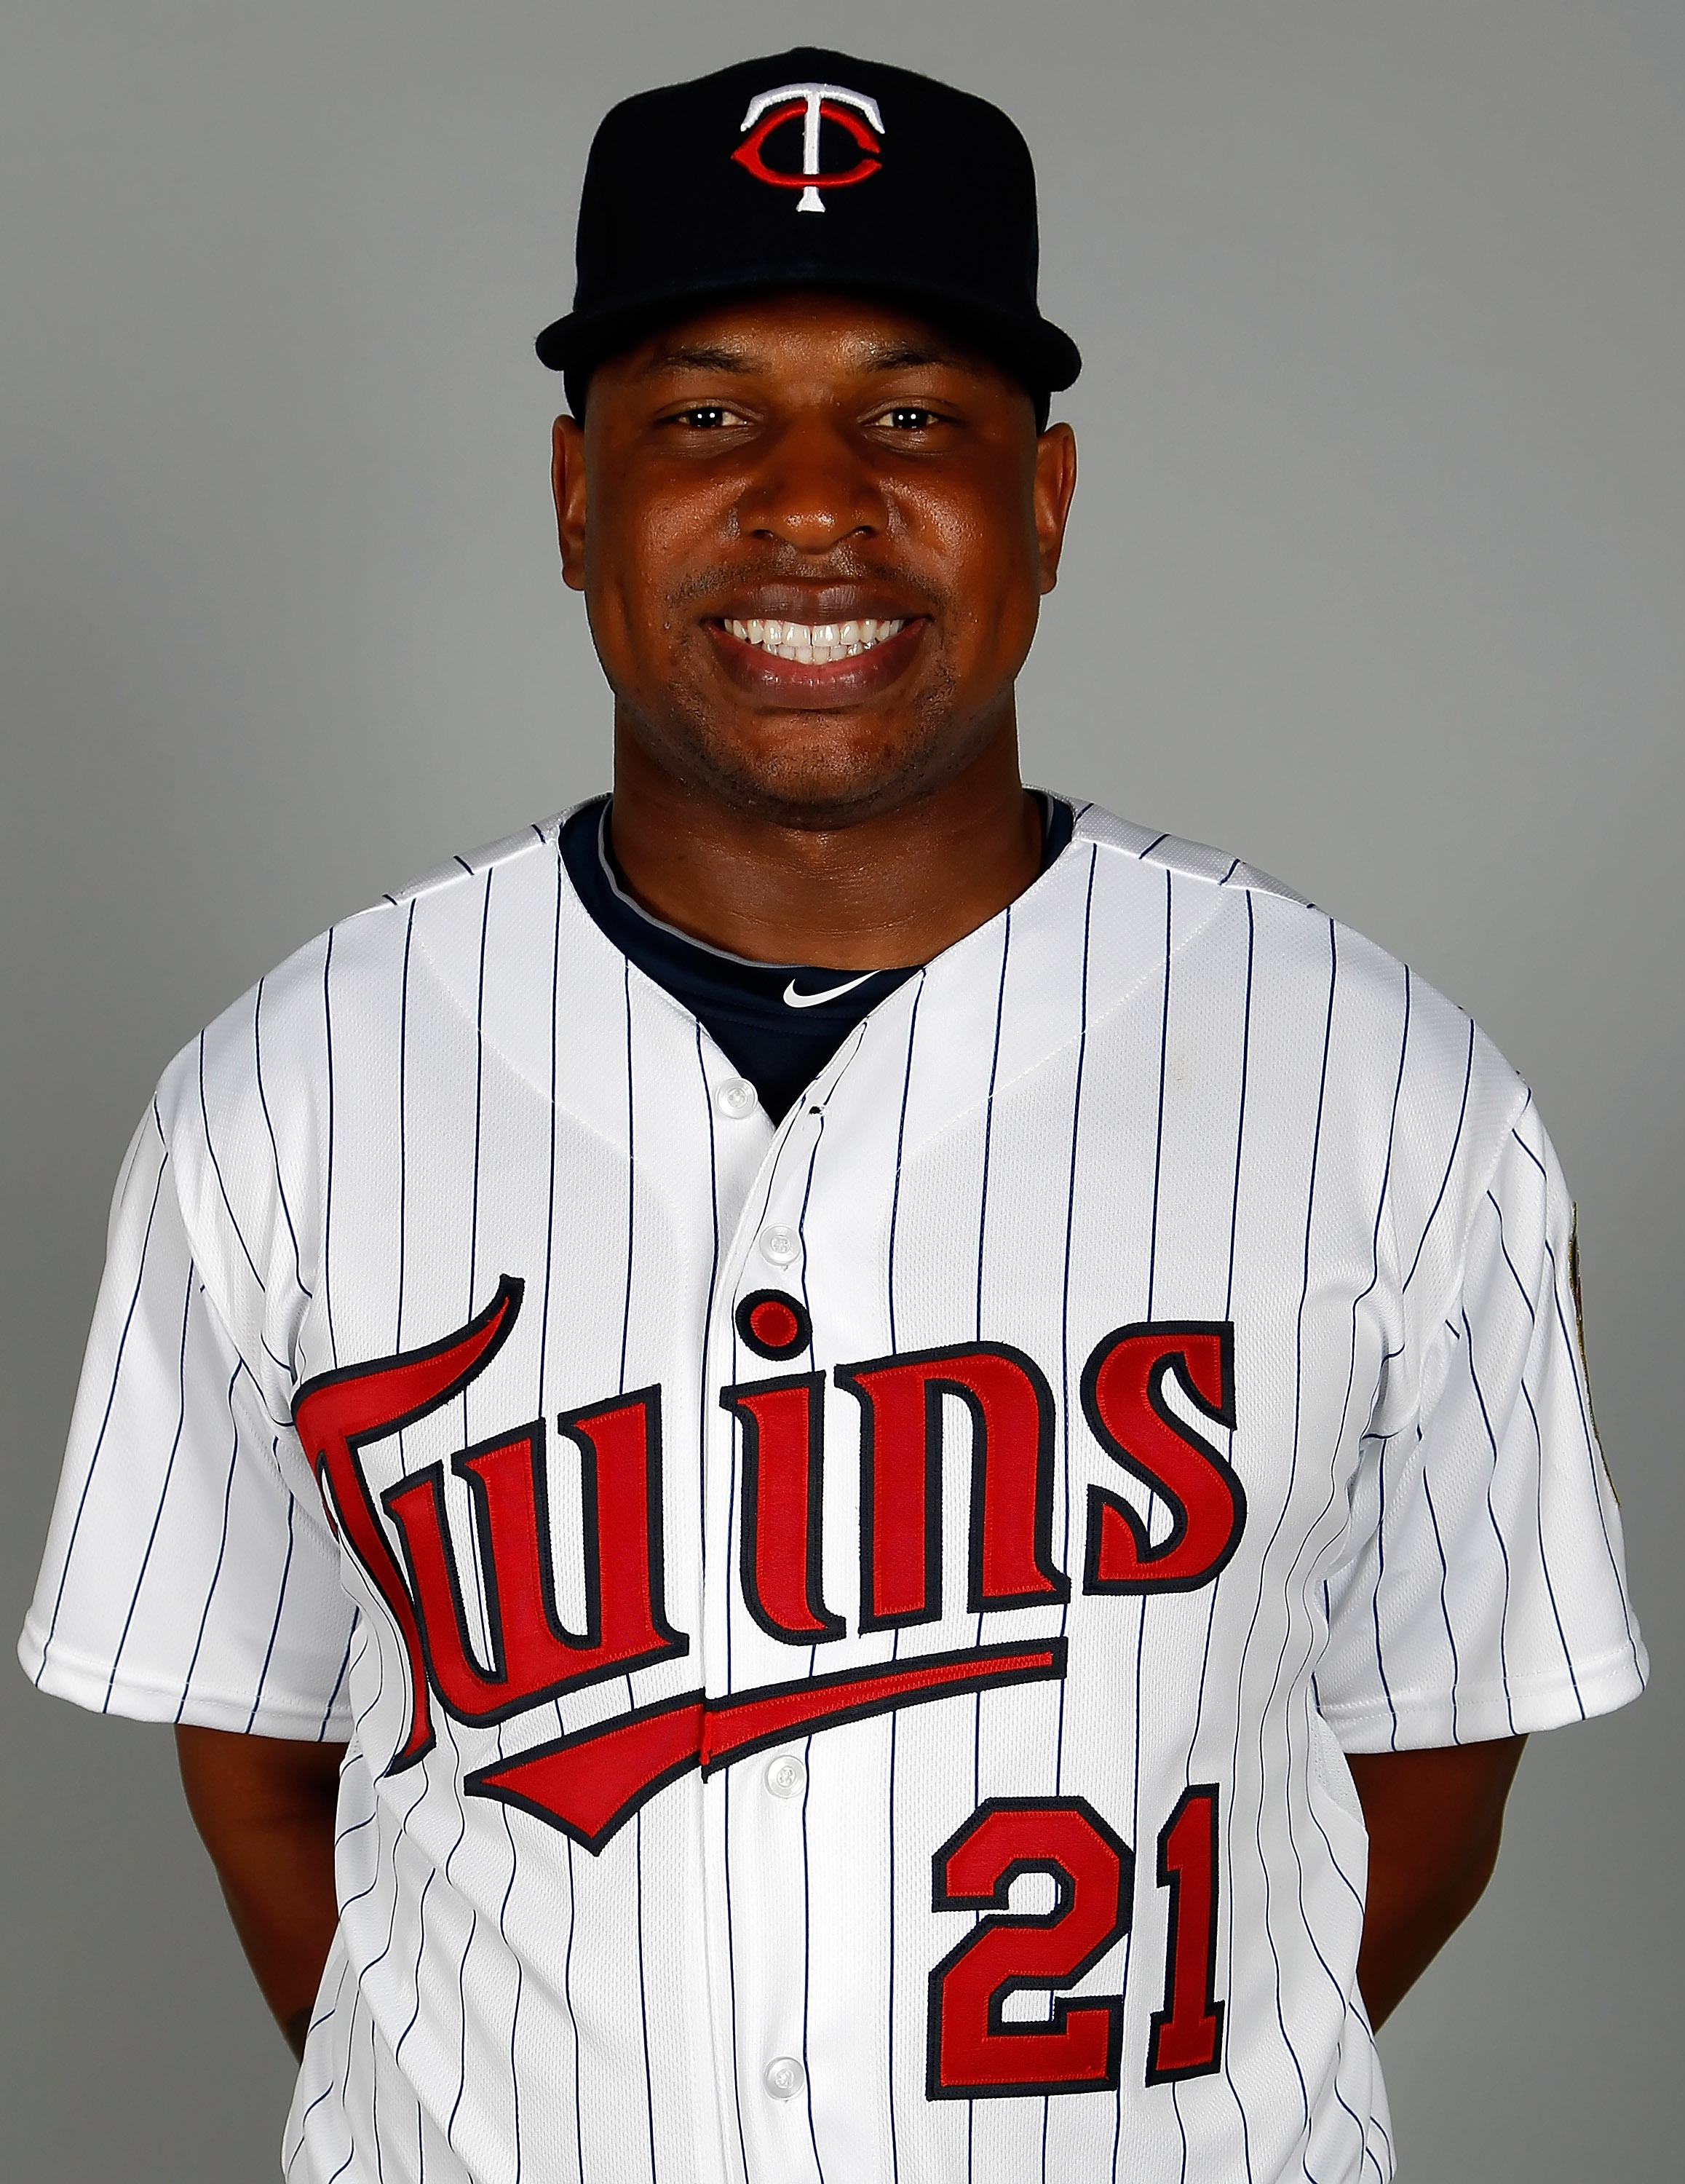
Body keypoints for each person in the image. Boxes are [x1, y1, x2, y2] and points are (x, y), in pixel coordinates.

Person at [18, 45, 1645, 2184]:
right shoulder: (286, 1096)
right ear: (575, 499)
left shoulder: (1386, 1090)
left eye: (913, 418)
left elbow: (1440, 1747)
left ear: (1044, 500)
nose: (811, 503)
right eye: (705, 418)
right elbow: (255, 1759)